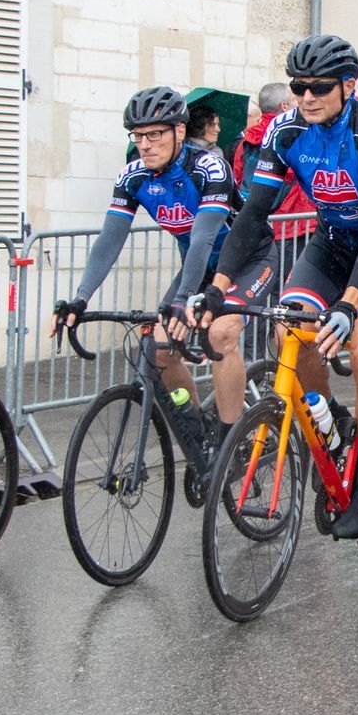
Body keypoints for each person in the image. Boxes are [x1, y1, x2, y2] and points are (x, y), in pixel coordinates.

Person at [200, 35, 358, 541]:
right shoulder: (284, 131)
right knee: (289, 332)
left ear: (348, 85)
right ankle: (334, 422)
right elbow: (253, 214)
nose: (306, 97)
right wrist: (217, 287)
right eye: (298, 86)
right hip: (332, 242)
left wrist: (349, 304)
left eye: (319, 87)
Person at [51, 86, 274, 451]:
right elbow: (109, 240)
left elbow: (203, 237)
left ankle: (232, 440)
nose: (145, 144)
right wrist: (80, 298)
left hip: (248, 261)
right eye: (138, 136)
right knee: (159, 349)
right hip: (200, 267)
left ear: (179, 131)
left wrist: (183, 300)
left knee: (220, 334)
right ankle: (200, 434)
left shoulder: (207, 167)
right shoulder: (133, 177)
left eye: (155, 134)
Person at [233, 81, 314, 238]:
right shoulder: (296, 135)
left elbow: (239, 176)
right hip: (294, 223)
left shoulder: (247, 140)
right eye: (294, 99)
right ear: (284, 106)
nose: (298, 103)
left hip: (258, 223)